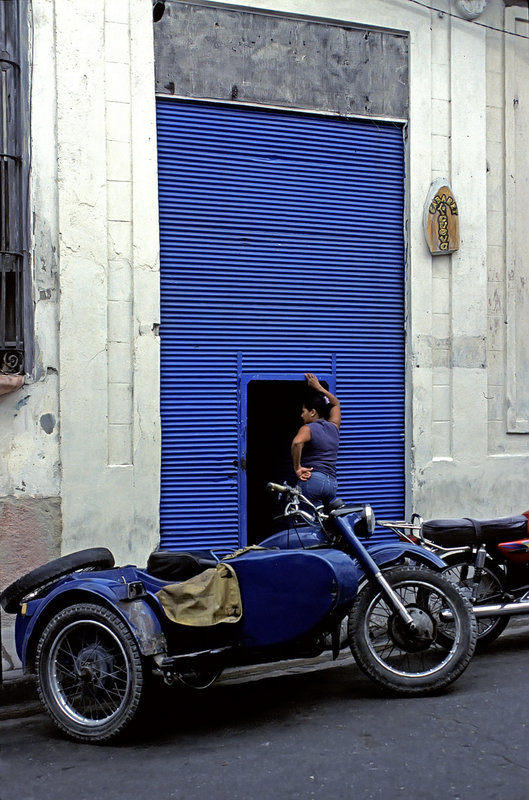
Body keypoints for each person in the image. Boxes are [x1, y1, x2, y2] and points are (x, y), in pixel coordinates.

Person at [291, 373, 341, 508]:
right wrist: (319, 387)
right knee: (322, 524)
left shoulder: (307, 428)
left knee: (307, 524)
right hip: (331, 484)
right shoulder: (334, 427)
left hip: (313, 480)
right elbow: (335, 403)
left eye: (303, 411)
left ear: (312, 412)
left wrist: (297, 468)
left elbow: (297, 443)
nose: (301, 415)